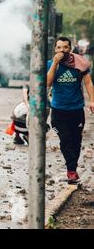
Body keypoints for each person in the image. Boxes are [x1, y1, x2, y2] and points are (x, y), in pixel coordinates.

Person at [47, 36, 94, 184]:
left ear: (70, 48)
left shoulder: (80, 63)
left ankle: (72, 169)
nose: (62, 50)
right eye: (59, 47)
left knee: (76, 141)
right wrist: (55, 63)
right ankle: (71, 171)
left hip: (76, 109)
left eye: (65, 47)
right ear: (55, 49)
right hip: (58, 110)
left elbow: (88, 82)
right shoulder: (50, 63)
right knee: (65, 140)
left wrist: (92, 100)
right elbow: (47, 83)